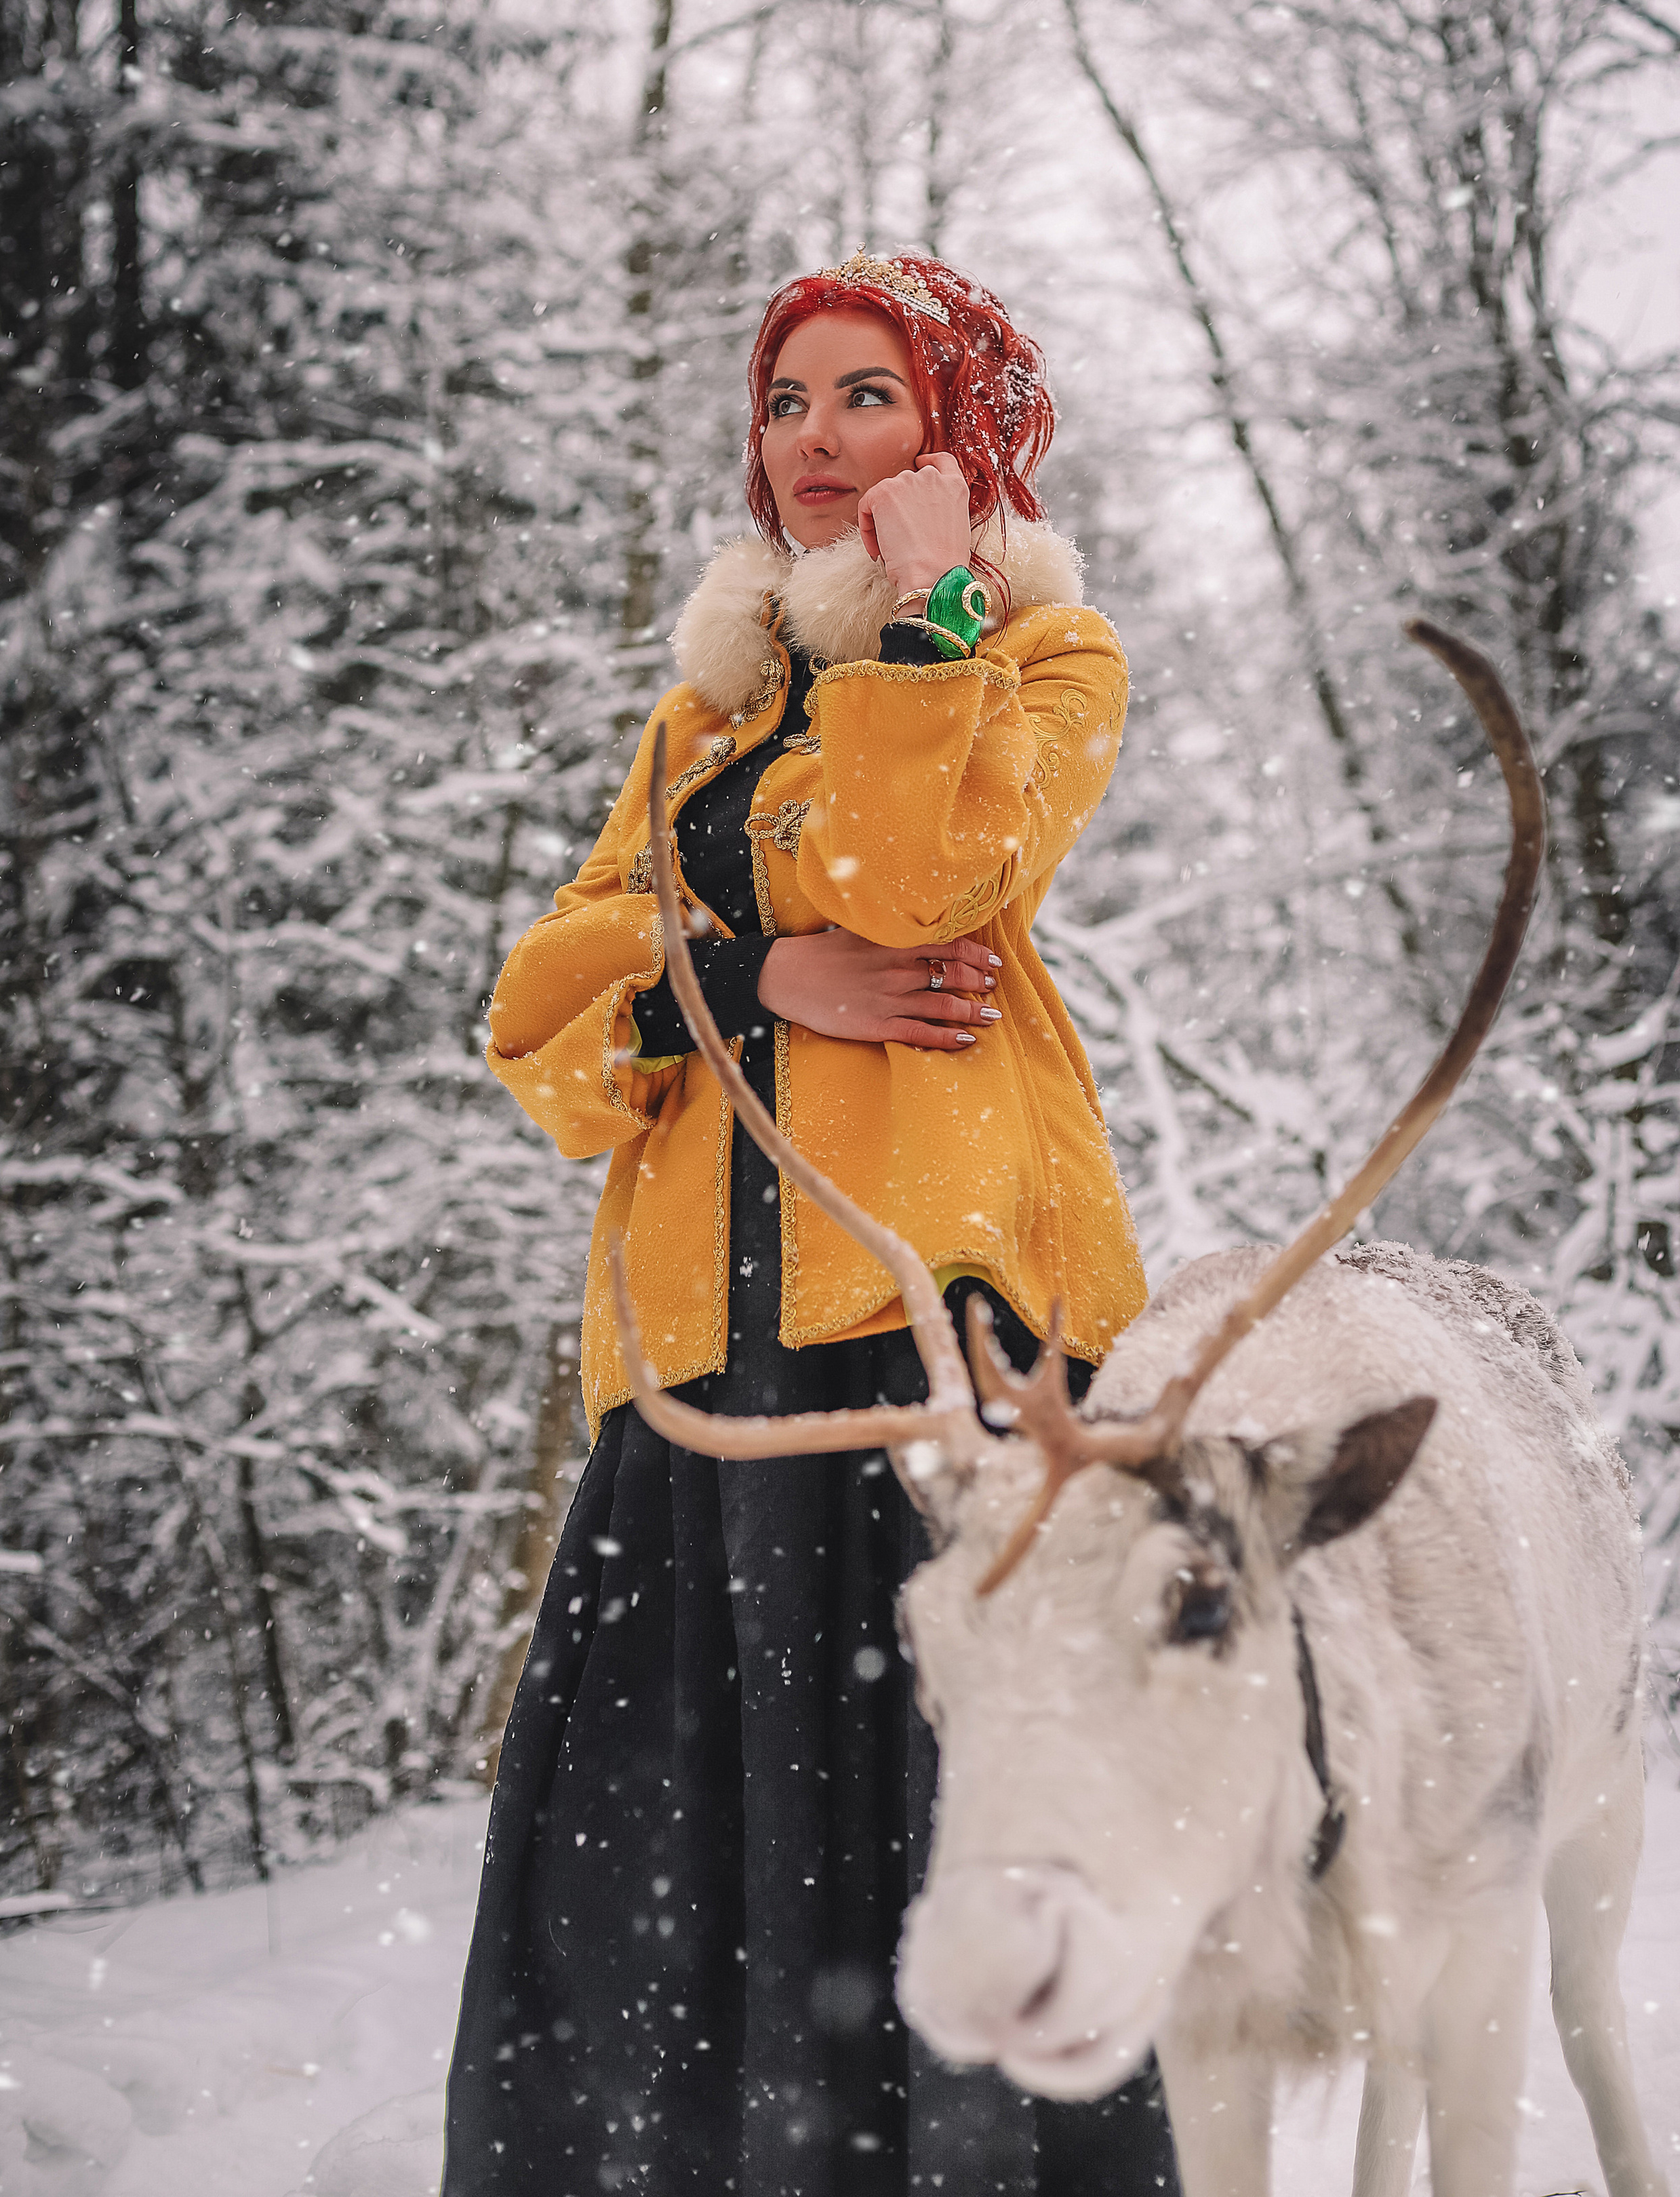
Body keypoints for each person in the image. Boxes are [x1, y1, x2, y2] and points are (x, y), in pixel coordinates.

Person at [442, 251, 1178, 2197]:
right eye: (788, 402)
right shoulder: (700, 724)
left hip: (934, 1350)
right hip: (696, 1368)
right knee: (650, 1888)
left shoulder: (1044, 656)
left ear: (959, 429)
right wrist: (764, 977)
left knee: (948, 1849)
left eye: (871, 395)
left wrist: (927, 624)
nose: (821, 438)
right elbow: (542, 1017)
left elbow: (924, 878)